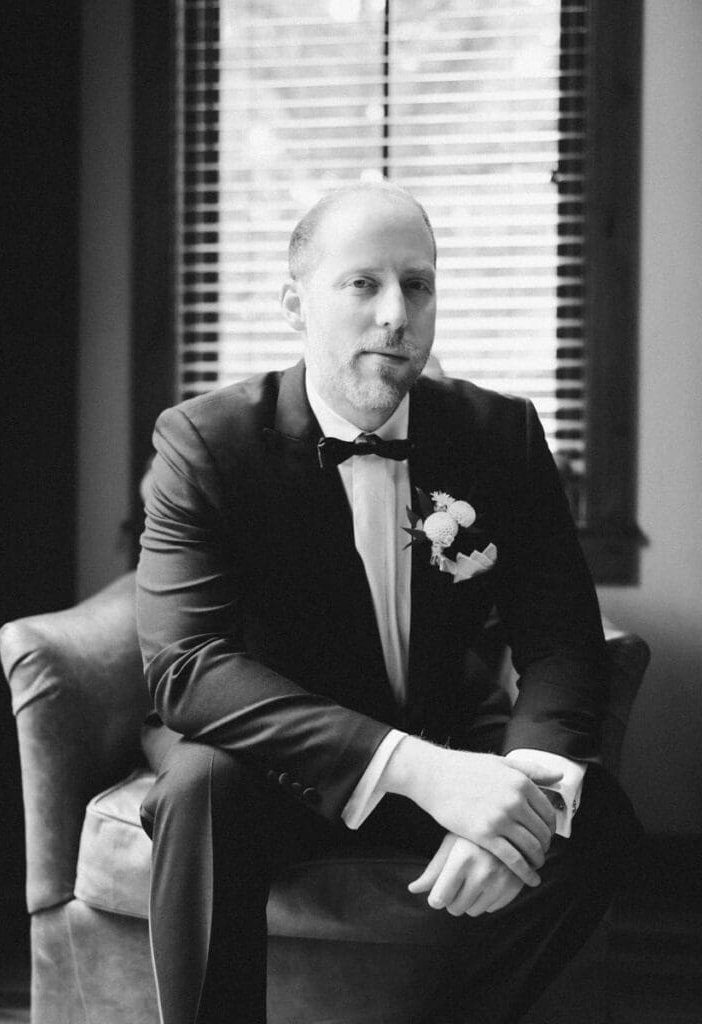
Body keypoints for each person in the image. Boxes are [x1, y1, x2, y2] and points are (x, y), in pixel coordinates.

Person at [136, 181, 641, 1024]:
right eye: (363, 284)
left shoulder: (500, 433)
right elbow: (187, 669)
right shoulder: (206, 442)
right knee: (198, 789)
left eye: (419, 283)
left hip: (443, 720)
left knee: (597, 821)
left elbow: (560, 639)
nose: (397, 313)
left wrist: (520, 793)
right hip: (275, 760)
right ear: (296, 303)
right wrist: (421, 770)